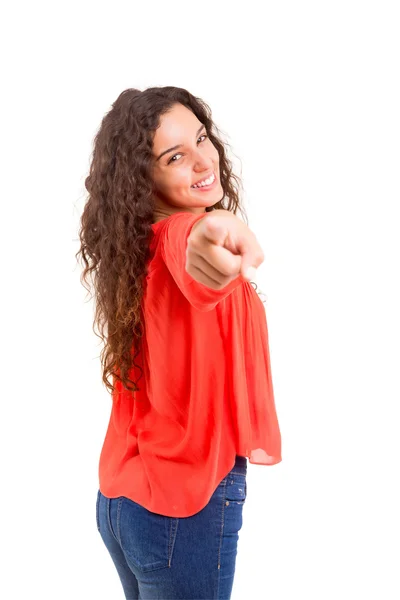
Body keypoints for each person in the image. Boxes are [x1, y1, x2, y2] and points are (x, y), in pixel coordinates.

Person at [76, 86, 282, 600]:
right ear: (144, 180)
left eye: (201, 139)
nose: (202, 161)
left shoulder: (137, 243)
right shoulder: (178, 234)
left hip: (124, 500)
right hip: (180, 511)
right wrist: (215, 230)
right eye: (175, 157)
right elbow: (195, 246)